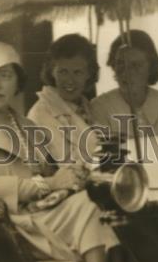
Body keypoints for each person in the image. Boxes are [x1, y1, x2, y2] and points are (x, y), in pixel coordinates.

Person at [0, 41, 119, 262]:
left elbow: (44, 168)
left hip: (38, 211)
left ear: (17, 83)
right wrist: (49, 185)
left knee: (96, 208)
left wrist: (71, 177)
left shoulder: (24, 124)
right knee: (89, 213)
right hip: (5, 224)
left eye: (5, 76)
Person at [91, 29, 158, 143]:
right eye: (120, 64)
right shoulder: (100, 107)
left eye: (135, 65)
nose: (126, 72)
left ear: (150, 67)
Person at [27, 33, 102, 168]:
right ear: (52, 71)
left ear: (89, 73)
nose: (70, 80)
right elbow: (69, 165)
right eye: (63, 72)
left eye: (77, 72)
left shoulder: (85, 105)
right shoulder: (41, 113)